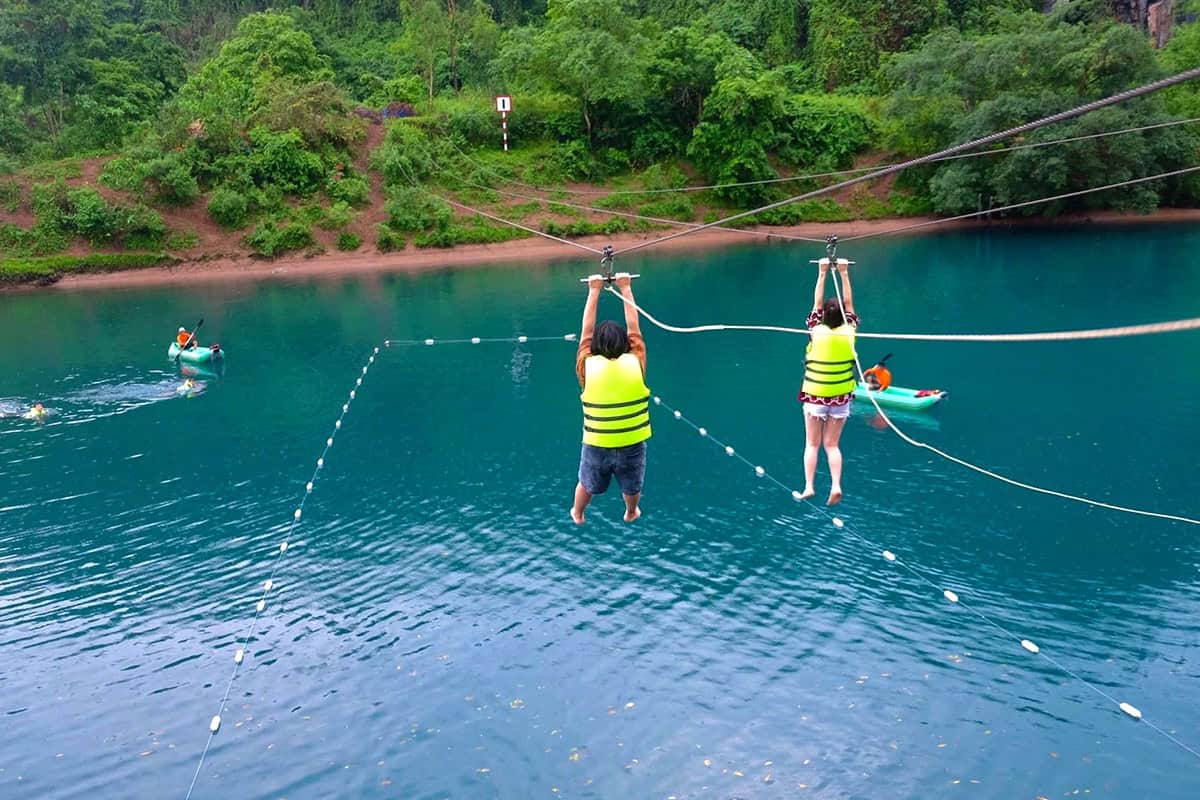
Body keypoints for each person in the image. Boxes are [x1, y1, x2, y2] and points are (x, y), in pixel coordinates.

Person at [571, 272, 651, 525]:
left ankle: (579, 513)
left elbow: (585, 334)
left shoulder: (586, 365)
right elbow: (634, 329)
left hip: (596, 444)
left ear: (594, 346)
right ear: (627, 345)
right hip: (632, 443)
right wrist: (625, 289)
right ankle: (630, 512)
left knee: (586, 483)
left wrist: (593, 291)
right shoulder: (636, 361)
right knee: (632, 485)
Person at [798, 258, 858, 506]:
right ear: (845, 317)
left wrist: (822, 273)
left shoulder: (815, 329)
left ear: (822, 317)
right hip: (841, 397)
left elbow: (816, 303)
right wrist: (843, 273)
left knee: (812, 444)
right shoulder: (851, 328)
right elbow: (849, 304)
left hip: (816, 395)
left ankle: (809, 486)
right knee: (832, 445)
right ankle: (835, 485)